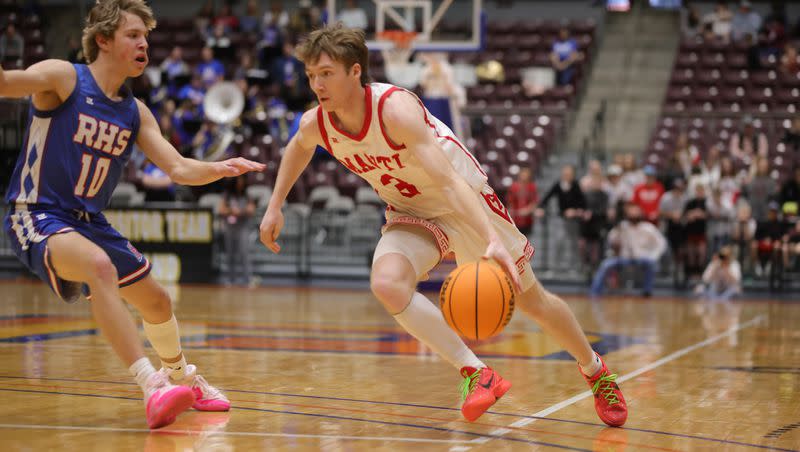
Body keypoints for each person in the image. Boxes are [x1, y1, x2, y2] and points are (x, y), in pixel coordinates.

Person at [258, 23, 627, 426]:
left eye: (326, 73)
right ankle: (476, 373)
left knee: (531, 300)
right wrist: (275, 206)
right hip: (410, 209)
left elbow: (449, 183)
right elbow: (297, 148)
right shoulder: (318, 123)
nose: (317, 85)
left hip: (462, 201)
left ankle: (595, 370)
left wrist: (491, 240)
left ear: (355, 71)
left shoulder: (395, 111)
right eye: (311, 76)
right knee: (387, 284)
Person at [0, 0, 265, 429]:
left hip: (89, 222)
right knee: (99, 268)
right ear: (103, 40)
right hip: (37, 212)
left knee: (157, 301)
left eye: (147, 36)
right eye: (133, 35)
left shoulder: (134, 110)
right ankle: (151, 385)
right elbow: (7, 82)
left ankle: (183, 378)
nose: (145, 43)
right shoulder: (63, 77)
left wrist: (219, 168)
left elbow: (178, 168)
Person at [590, 203, 667, 298]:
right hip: (623, 257)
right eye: (631, 212)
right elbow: (611, 241)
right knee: (606, 265)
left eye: (636, 212)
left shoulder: (648, 228)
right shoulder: (621, 227)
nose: (633, 214)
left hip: (642, 257)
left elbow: (661, 244)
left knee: (651, 264)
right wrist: (616, 235)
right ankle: (595, 292)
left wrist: (653, 256)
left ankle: (647, 291)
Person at [219, 175, 256, 285]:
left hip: (242, 227)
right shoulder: (227, 195)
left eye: (242, 180)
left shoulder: (247, 195)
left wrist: (240, 211)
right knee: (230, 254)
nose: (240, 183)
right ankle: (230, 279)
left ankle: (247, 279)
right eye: (238, 181)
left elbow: (251, 210)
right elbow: (221, 210)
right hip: (229, 228)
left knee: (244, 253)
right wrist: (231, 210)